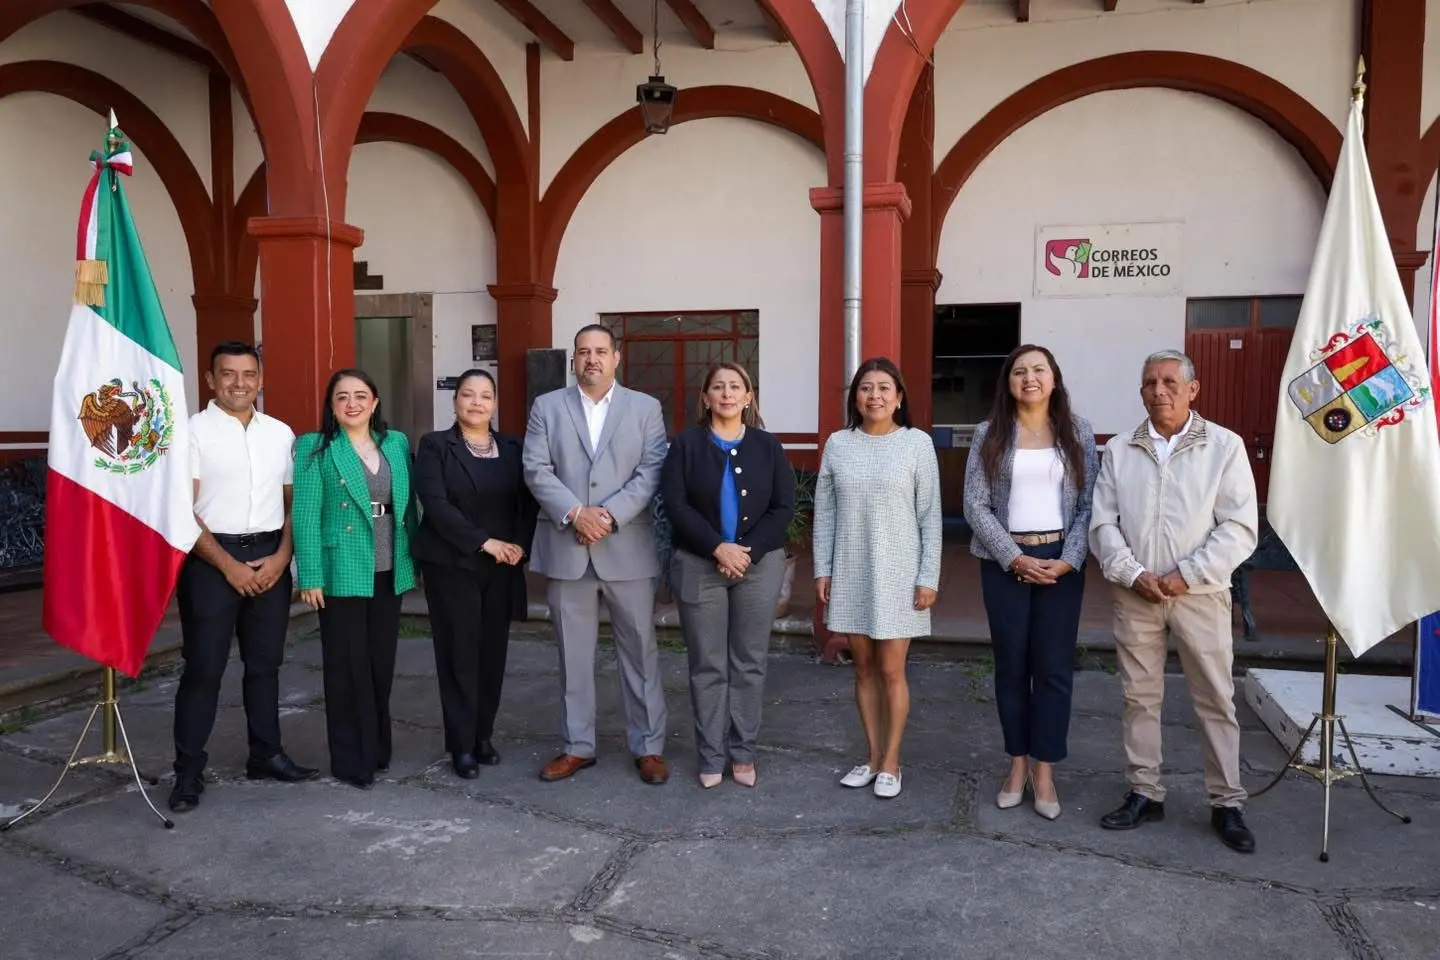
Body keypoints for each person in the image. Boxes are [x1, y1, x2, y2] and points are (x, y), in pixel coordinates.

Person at [1089, 349, 1259, 853]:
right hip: (1136, 593)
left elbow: (1240, 526)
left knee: (1215, 698)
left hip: (1200, 595)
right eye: (1149, 383)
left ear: (1193, 389)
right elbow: (1102, 523)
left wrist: (1188, 574)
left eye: (1168, 381)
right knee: (1139, 697)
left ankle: (1226, 802)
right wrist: (1133, 572)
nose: (1158, 390)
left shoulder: (1223, 447)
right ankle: (1145, 792)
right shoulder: (1121, 449)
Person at [168, 342, 317, 813]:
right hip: (212, 558)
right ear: (211, 380)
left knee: (265, 667)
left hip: (270, 552)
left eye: (248, 374)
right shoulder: (191, 432)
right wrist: (228, 565)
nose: (239, 383)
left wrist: (282, 558)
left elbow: (294, 504)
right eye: (228, 374)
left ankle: (266, 755)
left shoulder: (280, 433)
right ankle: (188, 772)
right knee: (204, 669)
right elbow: (181, 511)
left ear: (261, 379)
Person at [523, 325, 670, 784]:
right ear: (573, 360)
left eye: (600, 351)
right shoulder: (547, 407)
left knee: (640, 652)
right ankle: (578, 745)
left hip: (626, 545)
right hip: (568, 547)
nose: (592, 359)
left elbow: (652, 470)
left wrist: (607, 515)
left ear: (617, 358)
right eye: (583, 352)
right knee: (573, 653)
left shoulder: (646, 408)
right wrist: (574, 513)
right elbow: (535, 467)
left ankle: (648, 746)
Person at [963, 345, 1097, 821]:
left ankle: (1045, 771)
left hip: (1061, 563)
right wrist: (1014, 557)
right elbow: (975, 506)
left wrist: (1070, 559)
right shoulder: (989, 433)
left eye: (1039, 369)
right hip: (1006, 563)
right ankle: (1016, 765)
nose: (1030, 377)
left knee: (1054, 670)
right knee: (1012, 668)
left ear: (1054, 378)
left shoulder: (1076, 432)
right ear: (1009, 382)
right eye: (1019, 371)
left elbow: (1088, 506)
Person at [661, 362, 794, 789]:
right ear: (705, 397)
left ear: (748, 396)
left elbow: (783, 507)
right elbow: (675, 506)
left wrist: (746, 552)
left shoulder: (767, 446)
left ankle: (743, 751)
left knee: (749, 662)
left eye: (736, 386)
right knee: (707, 664)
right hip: (700, 564)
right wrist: (717, 547)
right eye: (718, 387)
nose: (727, 393)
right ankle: (710, 753)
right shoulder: (684, 446)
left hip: (758, 566)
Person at [814, 357, 942, 799]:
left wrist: (929, 577)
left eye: (884, 388)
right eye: (866, 388)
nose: (875, 396)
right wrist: (823, 569)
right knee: (863, 669)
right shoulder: (838, 444)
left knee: (891, 670)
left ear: (899, 397)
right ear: (856, 398)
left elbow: (930, 516)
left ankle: (892, 762)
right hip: (850, 567)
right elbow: (825, 514)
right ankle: (870, 757)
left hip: (900, 571)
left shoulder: (916, 444)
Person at [292, 369, 417, 790]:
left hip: (388, 567)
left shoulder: (395, 443)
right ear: (331, 404)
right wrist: (309, 575)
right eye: (342, 396)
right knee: (347, 667)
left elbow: (408, 507)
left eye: (361, 395)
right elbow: (305, 514)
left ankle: (378, 749)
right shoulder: (315, 448)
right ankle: (350, 760)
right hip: (341, 567)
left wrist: (414, 559)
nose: (352, 403)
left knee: (380, 665)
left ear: (375, 402)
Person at [412, 369, 538, 780]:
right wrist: (485, 542)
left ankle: (483, 736)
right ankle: (461, 744)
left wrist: (518, 544)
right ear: (455, 402)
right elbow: (436, 504)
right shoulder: (435, 446)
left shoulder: (513, 447)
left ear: (495, 403)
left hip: (502, 568)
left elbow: (528, 502)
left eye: (486, 395)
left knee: (492, 655)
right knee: (459, 656)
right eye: (468, 395)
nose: (477, 402)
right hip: (453, 566)